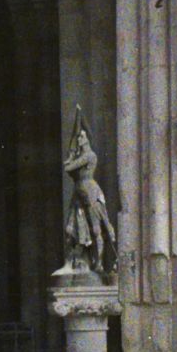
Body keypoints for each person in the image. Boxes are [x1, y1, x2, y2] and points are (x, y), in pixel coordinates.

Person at [62, 116, 117, 276]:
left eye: (81, 137)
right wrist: (72, 155)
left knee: (96, 229)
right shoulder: (82, 156)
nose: (79, 139)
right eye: (78, 136)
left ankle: (98, 263)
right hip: (79, 194)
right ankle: (75, 261)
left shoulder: (89, 155)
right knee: (71, 228)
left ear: (87, 140)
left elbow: (69, 167)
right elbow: (71, 171)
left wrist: (71, 156)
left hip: (90, 192)